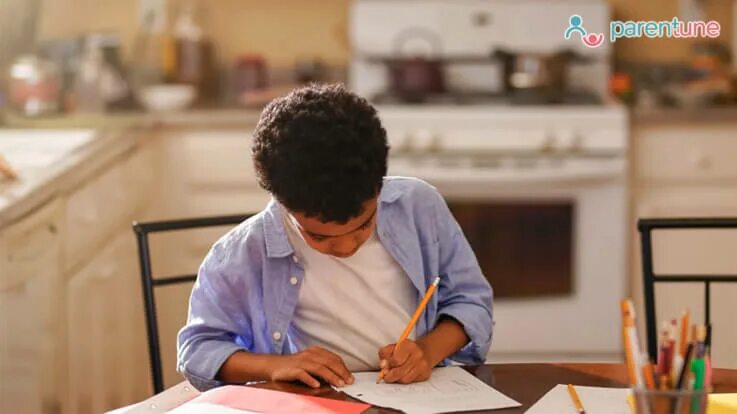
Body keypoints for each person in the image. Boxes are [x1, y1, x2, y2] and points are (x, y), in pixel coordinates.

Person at [177, 83, 493, 391]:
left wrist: (427, 351)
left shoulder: (420, 207)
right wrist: (275, 366)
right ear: (284, 204)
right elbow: (197, 350)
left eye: (363, 225)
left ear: (379, 184)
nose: (346, 246)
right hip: (316, 401)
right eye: (318, 236)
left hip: (416, 394)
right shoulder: (243, 252)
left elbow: (470, 300)